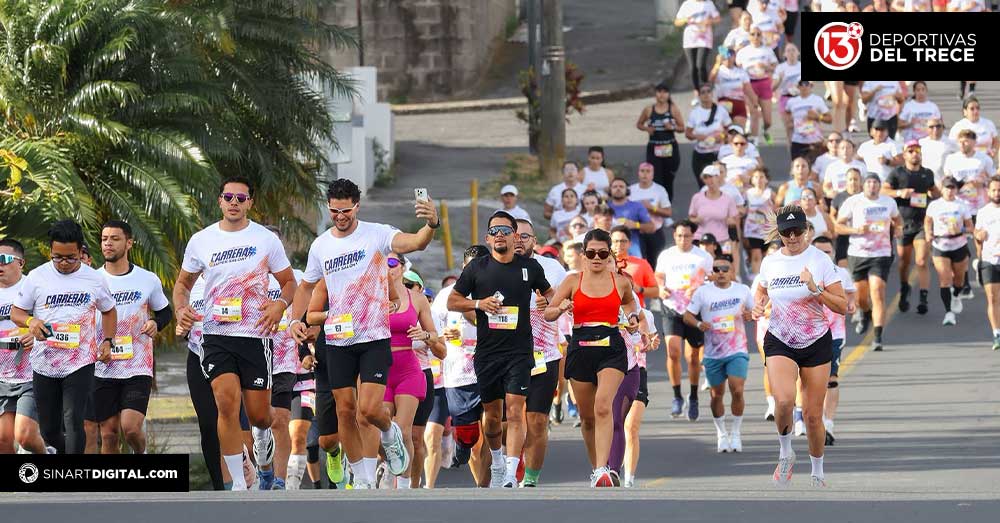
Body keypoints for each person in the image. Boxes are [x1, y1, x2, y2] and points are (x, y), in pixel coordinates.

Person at [287, 178, 440, 489]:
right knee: (345, 411)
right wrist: (295, 319)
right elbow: (305, 287)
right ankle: (363, 477)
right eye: (334, 211)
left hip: (372, 337)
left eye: (345, 210)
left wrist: (432, 223)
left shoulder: (377, 234)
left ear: (357, 206)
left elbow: (416, 243)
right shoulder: (322, 246)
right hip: (338, 340)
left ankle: (389, 433)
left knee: (370, 410)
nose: (340, 216)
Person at [171, 177, 297, 490]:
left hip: (255, 338)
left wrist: (280, 305)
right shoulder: (202, 240)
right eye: (229, 197)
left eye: (241, 198)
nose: (234, 202)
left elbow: (289, 282)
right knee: (226, 403)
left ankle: (261, 436)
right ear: (220, 201)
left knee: (259, 416)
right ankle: (237, 483)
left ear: (250, 203)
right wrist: (181, 309)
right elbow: (183, 284)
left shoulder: (265, 239)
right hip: (216, 336)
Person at [447, 211, 554, 488]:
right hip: (488, 353)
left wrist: (549, 304)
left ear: (514, 236)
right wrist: (479, 304)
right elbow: (453, 301)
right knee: (493, 418)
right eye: (494, 231)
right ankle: (496, 461)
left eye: (505, 230)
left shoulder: (529, 268)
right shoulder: (477, 268)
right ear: (487, 237)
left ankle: (509, 471)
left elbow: (550, 294)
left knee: (516, 411)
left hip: (519, 352)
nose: (499, 235)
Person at [753, 206, 847, 488]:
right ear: (779, 233)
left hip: (816, 340)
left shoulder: (819, 260)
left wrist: (816, 289)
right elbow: (762, 289)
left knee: (813, 416)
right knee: (783, 401)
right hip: (780, 337)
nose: (792, 237)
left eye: (797, 231)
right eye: (786, 233)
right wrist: (759, 303)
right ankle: (785, 452)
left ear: (807, 230)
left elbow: (842, 306)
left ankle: (817, 470)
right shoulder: (770, 262)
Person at [544, 229, 641, 487]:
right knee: (587, 417)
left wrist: (632, 318)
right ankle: (596, 468)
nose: (596, 257)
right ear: (583, 255)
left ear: (609, 254)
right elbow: (548, 313)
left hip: (611, 347)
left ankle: (603, 469)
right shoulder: (572, 280)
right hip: (581, 347)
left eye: (602, 253)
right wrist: (561, 307)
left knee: (602, 405)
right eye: (590, 253)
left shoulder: (620, 282)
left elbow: (631, 303)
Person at [10, 220, 116, 455]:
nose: (64, 263)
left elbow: (109, 310)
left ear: (81, 252)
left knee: (73, 419)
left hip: (80, 361)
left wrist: (107, 341)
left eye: (71, 258)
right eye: (58, 257)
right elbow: (16, 313)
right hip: (44, 362)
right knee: (48, 429)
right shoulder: (37, 277)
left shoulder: (94, 279)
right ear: (50, 252)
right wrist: (31, 322)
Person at [94, 220, 172, 455]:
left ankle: (141, 454)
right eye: (104, 238)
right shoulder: (92, 280)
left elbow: (165, 311)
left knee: (130, 429)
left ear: (129, 243)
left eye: (114, 239)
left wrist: (155, 323)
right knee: (108, 434)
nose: (108, 243)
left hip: (136, 366)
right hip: (102, 366)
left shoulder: (147, 279)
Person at [379, 253, 445, 488]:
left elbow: (439, 343)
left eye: (392, 263)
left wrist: (426, 336)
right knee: (381, 426)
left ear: (403, 267)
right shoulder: (370, 297)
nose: (387, 267)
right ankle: (387, 466)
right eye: (382, 262)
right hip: (379, 370)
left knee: (404, 430)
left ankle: (406, 486)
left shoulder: (417, 299)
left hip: (409, 370)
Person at [513, 219, 567, 487]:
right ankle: (509, 469)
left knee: (535, 420)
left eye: (526, 236)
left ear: (534, 240)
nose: (520, 240)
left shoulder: (552, 268)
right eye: (516, 235)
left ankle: (530, 478)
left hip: (544, 355)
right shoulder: (496, 267)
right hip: (507, 354)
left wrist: (554, 301)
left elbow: (569, 298)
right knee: (507, 419)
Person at [683, 254, 753, 453]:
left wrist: (750, 315)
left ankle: (736, 433)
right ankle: (722, 433)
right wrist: (698, 324)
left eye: (725, 269)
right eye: (717, 270)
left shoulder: (743, 290)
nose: (721, 273)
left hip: (737, 348)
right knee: (716, 395)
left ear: (732, 271)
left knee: (737, 389)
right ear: (712, 273)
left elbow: (755, 311)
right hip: (713, 352)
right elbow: (687, 315)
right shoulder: (703, 292)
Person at [437, 245, 491, 486]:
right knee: (469, 437)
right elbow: (429, 328)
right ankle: (463, 445)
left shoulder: (497, 295)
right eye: (471, 266)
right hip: (458, 372)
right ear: (463, 266)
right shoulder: (447, 295)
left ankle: (487, 484)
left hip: (490, 367)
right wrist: (441, 335)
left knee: (493, 429)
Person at [836, 174, 902, 351]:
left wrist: (899, 229)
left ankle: (878, 337)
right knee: (860, 297)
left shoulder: (888, 202)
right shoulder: (853, 202)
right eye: (869, 182)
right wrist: (855, 229)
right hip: (858, 253)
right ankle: (865, 313)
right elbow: (838, 225)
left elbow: (897, 219)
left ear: (879, 185)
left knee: (878, 291)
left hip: (881, 253)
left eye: (875, 182)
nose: (872, 185)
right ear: (863, 186)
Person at [655, 220, 714, 420]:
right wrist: (661, 287)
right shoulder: (666, 255)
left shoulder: (703, 257)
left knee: (693, 357)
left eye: (687, 236)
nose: (682, 239)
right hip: (671, 306)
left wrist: (699, 288)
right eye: (679, 235)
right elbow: (659, 276)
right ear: (674, 236)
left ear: (693, 236)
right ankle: (677, 396)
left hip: (694, 309)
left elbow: (711, 279)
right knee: (673, 351)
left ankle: (694, 396)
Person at [0, 239, 50, 455]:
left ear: (21, 262)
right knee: (3, 439)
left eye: (3, 259)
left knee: (25, 435)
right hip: (2, 376)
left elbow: (55, 325)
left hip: (32, 374)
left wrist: (35, 334)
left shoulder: (36, 288)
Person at [810, 236, 856, 446]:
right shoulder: (804, 273)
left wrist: (851, 305)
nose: (824, 256)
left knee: (831, 378)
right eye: (820, 251)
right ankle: (809, 417)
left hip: (834, 334)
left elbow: (850, 295)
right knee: (810, 381)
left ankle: (828, 423)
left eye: (828, 252)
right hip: (807, 333)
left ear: (833, 253)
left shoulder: (842, 273)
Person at [884, 140, 939, 314]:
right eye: (911, 150)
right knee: (904, 262)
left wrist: (940, 195)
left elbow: (934, 191)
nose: (915, 153)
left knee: (922, 260)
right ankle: (904, 287)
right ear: (905, 154)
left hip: (922, 223)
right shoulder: (897, 173)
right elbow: (884, 191)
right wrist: (900, 193)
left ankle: (923, 297)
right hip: (903, 223)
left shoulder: (927, 173)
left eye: (917, 150)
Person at [944, 129, 992, 300]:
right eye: (961, 141)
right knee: (960, 245)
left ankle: (980, 266)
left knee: (981, 242)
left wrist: (983, 182)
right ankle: (964, 283)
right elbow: (947, 181)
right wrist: (959, 185)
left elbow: (993, 179)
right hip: (959, 208)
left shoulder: (983, 159)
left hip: (979, 207)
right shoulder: (952, 159)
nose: (964, 144)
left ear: (974, 142)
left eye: (967, 140)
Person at [925, 177, 975, 326]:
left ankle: (956, 294)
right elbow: (928, 221)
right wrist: (928, 232)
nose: (949, 191)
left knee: (958, 279)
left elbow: (971, 227)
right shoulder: (934, 205)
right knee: (945, 279)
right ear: (941, 188)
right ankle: (948, 313)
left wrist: (961, 229)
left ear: (956, 189)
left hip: (959, 244)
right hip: (940, 245)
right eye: (947, 187)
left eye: (952, 188)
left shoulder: (962, 206)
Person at [622, 304, 658, 487]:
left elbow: (647, 343)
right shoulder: (605, 310)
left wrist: (650, 345)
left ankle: (629, 479)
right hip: (611, 371)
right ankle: (608, 469)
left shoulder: (647, 316)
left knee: (631, 426)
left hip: (637, 371)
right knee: (613, 425)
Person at [637, 83, 685, 202]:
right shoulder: (649, 109)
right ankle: (657, 204)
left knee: (668, 178)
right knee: (655, 178)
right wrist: (647, 129)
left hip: (669, 147)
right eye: (659, 92)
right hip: (654, 147)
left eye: (664, 92)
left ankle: (667, 205)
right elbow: (639, 124)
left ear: (668, 94)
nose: (662, 95)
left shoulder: (672, 109)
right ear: (655, 94)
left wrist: (671, 127)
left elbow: (682, 128)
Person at [736, 25, 779, 144]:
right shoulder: (743, 52)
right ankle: (754, 141)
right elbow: (737, 68)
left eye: (758, 34)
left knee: (767, 119)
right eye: (753, 34)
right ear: (749, 36)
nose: (755, 37)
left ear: (762, 36)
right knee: (753, 113)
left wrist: (766, 67)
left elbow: (775, 65)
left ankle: (766, 130)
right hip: (749, 84)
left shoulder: (767, 50)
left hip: (764, 83)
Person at [686, 85, 732, 188]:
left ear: (712, 94)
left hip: (718, 153)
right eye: (703, 92)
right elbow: (688, 133)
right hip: (701, 154)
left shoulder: (721, 111)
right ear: (699, 96)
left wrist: (721, 136)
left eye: (708, 91)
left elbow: (730, 130)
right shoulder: (695, 113)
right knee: (704, 185)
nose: (706, 94)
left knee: (719, 184)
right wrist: (699, 137)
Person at [674, 0, 721, 99]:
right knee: (693, 68)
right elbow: (677, 22)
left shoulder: (708, 4)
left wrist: (709, 21)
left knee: (700, 65)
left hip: (705, 38)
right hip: (690, 39)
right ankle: (697, 91)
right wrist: (685, 20)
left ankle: (705, 88)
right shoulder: (687, 4)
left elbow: (717, 18)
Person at [629, 163, 673, 268]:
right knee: (638, 263)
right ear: (638, 173)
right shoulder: (630, 190)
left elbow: (668, 212)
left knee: (656, 263)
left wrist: (652, 208)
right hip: (636, 232)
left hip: (655, 231)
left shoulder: (659, 190)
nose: (645, 174)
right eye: (642, 171)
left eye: (648, 171)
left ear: (652, 174)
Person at [690, 167, 740, 257]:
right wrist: (696, 220)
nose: (709, 180)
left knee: (720, 268)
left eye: (712, 177)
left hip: (721, 240)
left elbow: (735, 221)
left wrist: (730, 222)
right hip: (701, 240)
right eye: (706, 177)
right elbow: (691, 218)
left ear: (718, 177)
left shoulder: (728, 199)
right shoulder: (697, 198)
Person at [974, 176, 1000, 350]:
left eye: (999, 190)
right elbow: (978, 235)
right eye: (994, 190)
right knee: (992, 298)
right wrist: (978, 235)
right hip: (990, 259)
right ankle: (996, 333)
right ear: (988, 192)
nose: (997, 193)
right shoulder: (983, 212)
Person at [710, 46, 757, 135]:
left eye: (730, 55)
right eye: (725, 55)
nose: (727, 57)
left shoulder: (741, 72)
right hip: (723, 104)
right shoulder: (719, 71)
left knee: (738, 133)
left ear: (734, 57)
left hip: (739, 104)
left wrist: (755, 104)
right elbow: (710, 79)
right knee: (725, 134)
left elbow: (748, 89)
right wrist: (717, 63)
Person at [610, 227, 659, 309]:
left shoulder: (641, 264)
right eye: (615, 241)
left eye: (623, 241)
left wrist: (640, 289)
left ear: (630, 244)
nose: (619, 244)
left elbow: (656, 292)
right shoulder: (601, 264)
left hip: (636, 314)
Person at [607, 178, 655, 258]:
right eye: (615, 187)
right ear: (610, 190)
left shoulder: (637, 206)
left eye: (621, 186)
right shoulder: (604, 207)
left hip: (632, 248)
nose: (618, 188)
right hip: (608, 246)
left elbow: (652, 227)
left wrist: (635, 225)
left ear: (627, 190)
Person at [785, 80, 832, 162]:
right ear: (798, 86)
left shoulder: (817, 100)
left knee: (815, 168)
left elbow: (829, 119)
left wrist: (818, 117)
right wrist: (789, 139)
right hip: (797, 141)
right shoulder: (791, 102)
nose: (804, 86)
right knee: (798, 168)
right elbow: (788, 120)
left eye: (806, 83)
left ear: (811, 85)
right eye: (801, 84)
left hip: (815, 141)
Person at [948, 96, 999, 163]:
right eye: (972, 109)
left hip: (986, 162)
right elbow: (951, 145)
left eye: (977, 108)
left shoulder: (988, 124)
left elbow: (996, 141)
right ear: (965, 111)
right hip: (965, 162)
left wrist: (994, 151)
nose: (976, 111)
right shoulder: (958, 126)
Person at [830, 168, 864, 268]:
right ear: (846, 181)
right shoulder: (839, 197)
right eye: (850, 179)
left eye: (856, 179)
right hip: (843, 237)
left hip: (861, 237)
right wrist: (836, 226)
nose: (853, 182)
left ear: (860, 180)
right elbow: (832, 214)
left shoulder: (865, 196)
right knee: (843, 269)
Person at [745, 167, 774, 277]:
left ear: (766, 180)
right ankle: (756, 279)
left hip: (767, 229)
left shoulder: (770, 193)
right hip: (752, 229)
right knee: (755, 253)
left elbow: (776, 208)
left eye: (762, 177)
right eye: (756, 177)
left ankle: (767, 278)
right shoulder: (747, 194)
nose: (759, 180)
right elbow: (743, 209)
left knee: (767, 255)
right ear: (752, 180)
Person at [773, 43, 802, 142]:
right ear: (784, 54)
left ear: (798, 53)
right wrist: (780, 79)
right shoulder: (780, 68)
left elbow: (811, 83)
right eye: (788, 51)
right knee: (789, 126)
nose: (791, 53)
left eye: (793, 50)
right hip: (785, 98)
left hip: (800, 97)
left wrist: (800, 86)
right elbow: (772, 87)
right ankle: (792, 153)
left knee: (801, 126)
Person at [920, 118, 957, 182]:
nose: (935, 129)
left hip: (945, 182)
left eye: (938, 126)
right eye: (931, 127)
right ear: (926, 129)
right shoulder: (921, 143)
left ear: (943, 127)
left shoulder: (952, 143)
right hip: (926, 181)